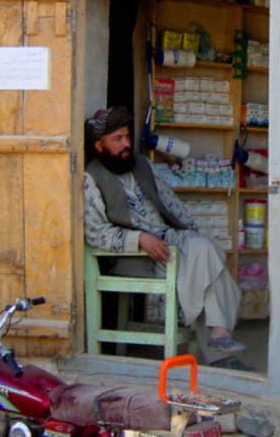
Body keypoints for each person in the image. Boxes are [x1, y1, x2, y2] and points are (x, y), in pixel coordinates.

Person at [83, 106, 246, 361]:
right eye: (118, 139)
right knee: (202, 258)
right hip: (133, 255)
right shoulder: (90, 178)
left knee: (204, 248)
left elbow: (170, 203)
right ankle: (218, 339)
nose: (126, 144)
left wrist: (191, 231)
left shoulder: (141, 165)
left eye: (127, 137)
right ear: (99, 145)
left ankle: (218, 335)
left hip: (166, 239)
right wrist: (139, 239)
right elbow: (95, 232)